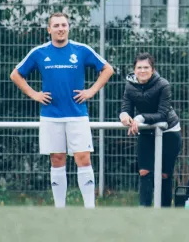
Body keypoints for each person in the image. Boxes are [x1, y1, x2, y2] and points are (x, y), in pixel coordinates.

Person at [10, 12, 114, 209]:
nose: (60, 28)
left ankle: (90, 210)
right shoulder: (39, 52)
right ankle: (60, 210)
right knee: (57, 159)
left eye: (64, 25)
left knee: (83, 158)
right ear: (49, 29)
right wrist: (34, 94)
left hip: (77, 115)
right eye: (56, 25)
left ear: (68, 28)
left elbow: (107, 69)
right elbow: (15, 74)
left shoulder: (81, 50)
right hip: (51, 116)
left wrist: (91, 91)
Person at [120, 52, 181, 207]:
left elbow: (162, 114)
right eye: (139, 67)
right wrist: (124, 115)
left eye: (146, 67)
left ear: (153, 69)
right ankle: (144, 212)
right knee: (144, 172)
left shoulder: (163, 85)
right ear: (134, 70)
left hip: (168, 130)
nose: (142, 70)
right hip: (146, 131)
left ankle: (164, 212)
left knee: (164, 175)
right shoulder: (129, 86)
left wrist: (139, 118)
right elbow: (126, 107)